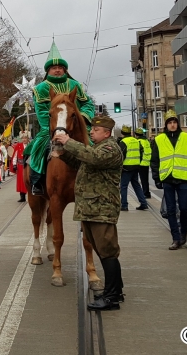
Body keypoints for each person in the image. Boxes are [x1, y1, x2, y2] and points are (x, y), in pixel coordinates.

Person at [51, 115, 124, 311]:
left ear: (107, 133)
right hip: (92, 210)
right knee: (102, 251)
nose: (91, 132)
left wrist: (69, 141)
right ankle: (115, 290)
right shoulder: (98, 148)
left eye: (96, 130)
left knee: (107, 252)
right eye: (91, 129)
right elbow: (83, 163)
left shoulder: (110, 148)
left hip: (102, 209)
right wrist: (63, 153)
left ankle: (111, 298)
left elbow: (92, 158)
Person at [26, 42, 95, 196]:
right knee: (38, 148)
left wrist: (82, 118)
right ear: (48, 70)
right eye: (53, 68)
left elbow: (87, 104)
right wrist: (54, 127)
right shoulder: (41, 88)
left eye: (60, 68)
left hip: (76, 124)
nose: (57, 70)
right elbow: (42, 111)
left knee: (94, 146)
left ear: (64, 69)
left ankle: (99, 179)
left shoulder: (75, 84)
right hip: (51, 127)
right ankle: (37, 181)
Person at [151, 110, 187, 250]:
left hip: (183, 178)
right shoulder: (159, 140)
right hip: (167, 178)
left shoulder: (186, 138)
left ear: (177, 124)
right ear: (166, 125)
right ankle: (176, 238)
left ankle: (184, 233)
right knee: (171, 210)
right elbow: (154, 161)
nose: (172, 125)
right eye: (170, 123)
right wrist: (157, 178)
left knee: (184, 208)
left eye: (174, 122)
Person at [12, 132, 30, 202]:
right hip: (20, 165)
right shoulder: (18, 145)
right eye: (23, 138)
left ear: (28, 138)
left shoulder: (30, 145)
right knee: (21, 180)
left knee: (29, 180)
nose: (24, 139)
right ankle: (22, 196)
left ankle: (30, 195)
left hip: (29, 165)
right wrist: (14, 164)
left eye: (25, 138)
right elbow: (15, 156)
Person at [135, 129, 152, 199]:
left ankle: (145, 193)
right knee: (145, 179)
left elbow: (139, 153)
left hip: (141, 163)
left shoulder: (139, 142)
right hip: (146, 162)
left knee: (141, 180)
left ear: (136, 135)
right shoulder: (146, 141)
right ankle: (146, 192)